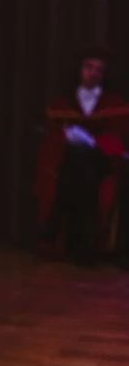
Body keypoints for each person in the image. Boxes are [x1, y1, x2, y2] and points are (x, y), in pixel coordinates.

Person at [35, 45, 129, 263]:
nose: (93, 72)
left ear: (104, 74)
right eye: (89, 67)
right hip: (79, 166)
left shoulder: (115, 103)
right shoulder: (61, 103)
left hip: (104, 160)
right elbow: (52, 138)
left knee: (78, 162)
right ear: (80, 69)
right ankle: (84, 251)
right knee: (81, 171)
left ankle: (54, 222)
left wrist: (95, 143)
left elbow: (118, 136)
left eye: (98, 69)